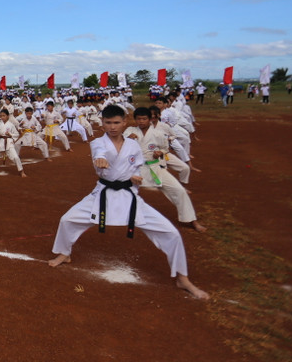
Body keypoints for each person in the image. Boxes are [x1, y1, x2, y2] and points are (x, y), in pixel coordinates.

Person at [48, 105, 208, 300]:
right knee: (67, 220)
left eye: (117, 122)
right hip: (103, 194)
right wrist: (100, 160)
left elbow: (137, 167)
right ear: (103, 123)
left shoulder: (133, 146)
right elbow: (99, 154)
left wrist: (136, 177)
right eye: (108, 123)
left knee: (171, 233)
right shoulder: (98, 143)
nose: (113, 127)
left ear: (124, 123)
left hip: (128, 196)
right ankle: (64, 253)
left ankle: (182, 278)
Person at [125, 108, 206, 232]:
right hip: (135, 170)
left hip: (155, 168)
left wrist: (160, 152)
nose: (141, 121)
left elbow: (165, 148)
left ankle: (192, 220)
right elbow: (120, 144)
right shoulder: (130, 131)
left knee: (179, 191)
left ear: (149, 119)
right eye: (138, 119)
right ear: (135, 119)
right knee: (118, 189)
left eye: (144, 119)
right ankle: (112, 215)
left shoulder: (157, 133)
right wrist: (128, 140)